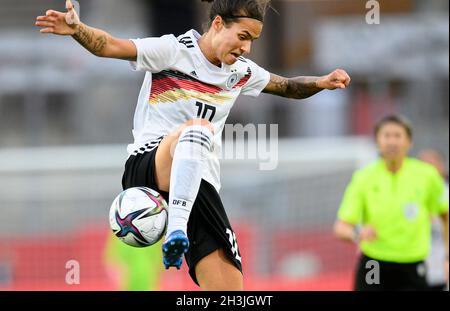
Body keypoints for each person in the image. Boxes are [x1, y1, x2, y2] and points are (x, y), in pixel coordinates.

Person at [36, 0, 351, 290]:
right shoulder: (173, 50)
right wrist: (78, 30)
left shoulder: (240, 73)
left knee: (230, 292)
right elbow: (109, 46)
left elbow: (287, 87)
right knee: (198, 129)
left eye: (252, 40)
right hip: (150, 167)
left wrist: (323, 82)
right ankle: (176, 230)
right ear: (217, 24)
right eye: (242, 36)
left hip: (199, 185)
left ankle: (180, 229)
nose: (247, 48)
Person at [334, 115, 449, 291]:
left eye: (397, 136)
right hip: (374, 263)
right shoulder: (364, 177)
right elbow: (341, 227)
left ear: (409, 142)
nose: (392, 142)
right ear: (377, 141)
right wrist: (357, 233)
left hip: (413, 263)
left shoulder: (427, 176)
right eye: (386, 136)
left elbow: (445, 214)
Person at [418, 149, 449, 291]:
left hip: (443, 267)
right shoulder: (410, 196)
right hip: (416, 268)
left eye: (433, 165)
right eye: (424, 166)